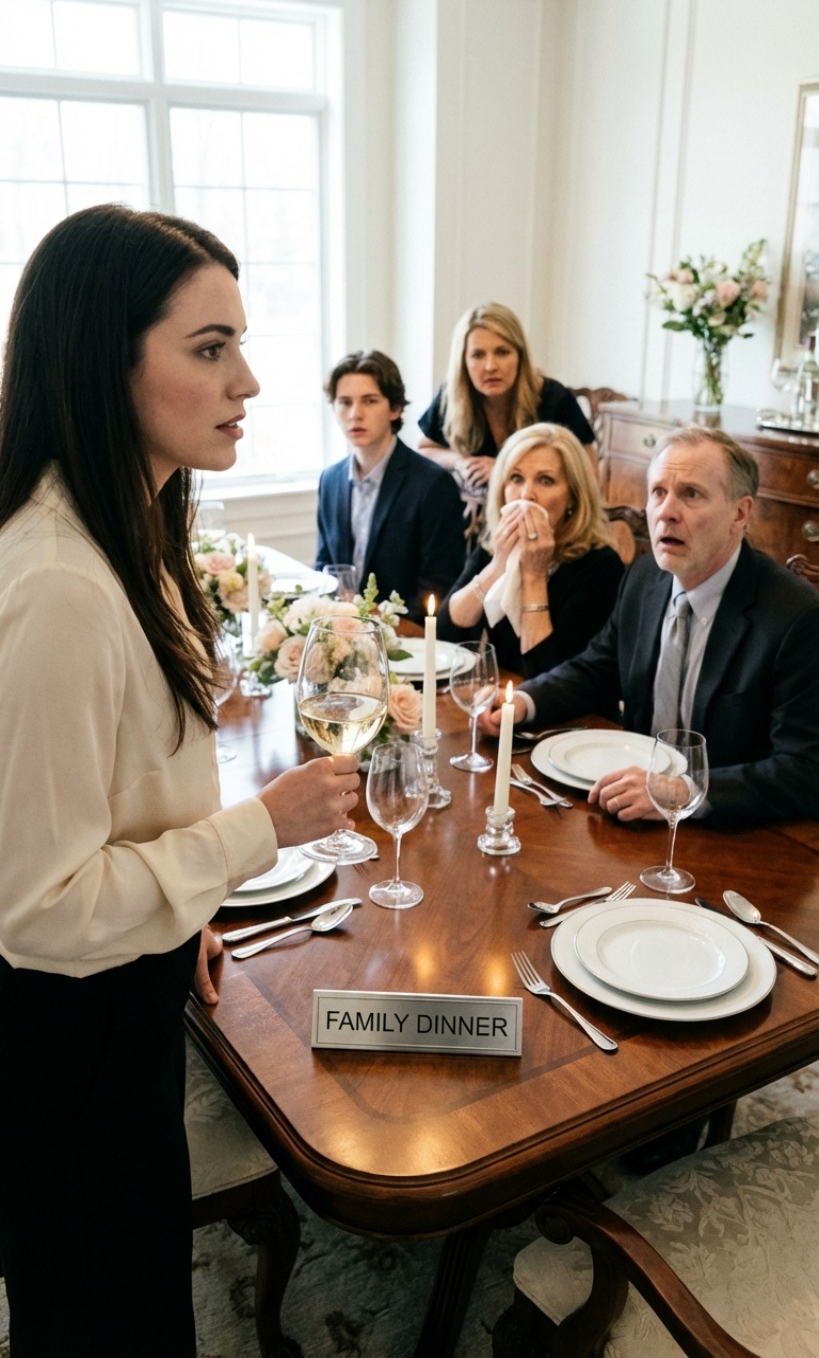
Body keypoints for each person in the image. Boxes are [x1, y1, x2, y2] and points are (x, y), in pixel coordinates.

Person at [0, 204, 361, 1358]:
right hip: (69, 1047)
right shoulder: (58, 586)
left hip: (125, 995)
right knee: (105, 1316)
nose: (248, 380)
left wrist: (176, 915)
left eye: (240, 343)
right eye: (210, 348)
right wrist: (260, 828)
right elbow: (37, 908)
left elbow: (110, 807)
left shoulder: (131, 527)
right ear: (100, 361)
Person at [480, 425, 819, 827]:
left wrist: (683, 792)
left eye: (690, 494)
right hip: (627, 813)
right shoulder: (645, 578)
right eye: (658, 492)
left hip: (733, 834)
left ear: (740, 513)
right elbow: (596, 669)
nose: (666, 512)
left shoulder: (795, 616)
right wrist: (523, 701)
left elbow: (804, 770)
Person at [436, 423, 623, 677]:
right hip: (497, 690)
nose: (526, 495)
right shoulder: (496, 543)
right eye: (516, 478)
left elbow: (551, 677)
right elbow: (443, 635)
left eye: (545, 480)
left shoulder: (601, 566)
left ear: (573, 496)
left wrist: (534, 576)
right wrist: (497, 566)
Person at [316, 349, 466, 621]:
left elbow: (439, 585)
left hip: (406, 635)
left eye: (370, 401)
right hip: (339, 630)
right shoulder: (330, 480)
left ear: (395, 409)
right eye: (345, 402)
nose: (355, 414)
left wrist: (376, 624)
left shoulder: (433, 484)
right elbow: (324, 568)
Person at [417, 302, 597, 502]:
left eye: (502, 352)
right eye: (478, 355)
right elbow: (425, 450)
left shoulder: (554, 397)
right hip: (472, 512)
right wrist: (459, 461)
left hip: (537, 510)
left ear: (520, 355)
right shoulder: (451, 396)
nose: (490, 366)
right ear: (463, 361)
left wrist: (504, 467)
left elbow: (589, 474)